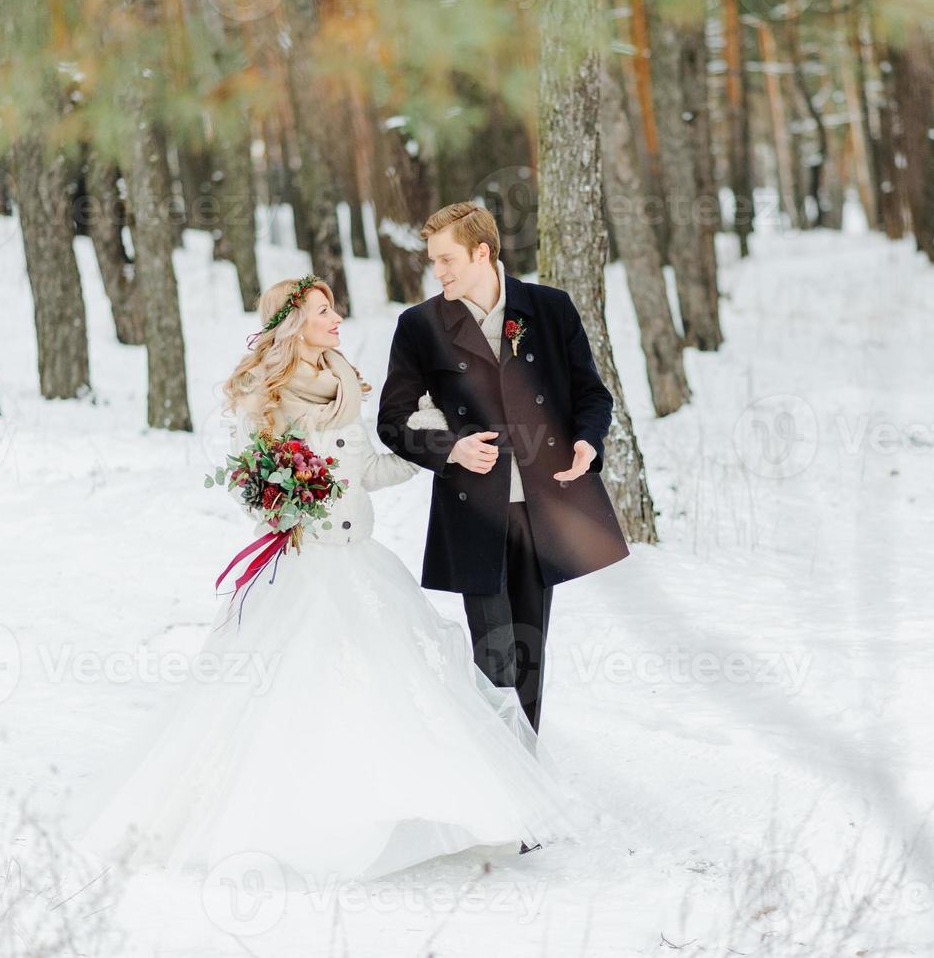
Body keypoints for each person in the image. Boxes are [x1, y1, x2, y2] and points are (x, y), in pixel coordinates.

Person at [68, 276, 588, 882]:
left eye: (334, 307)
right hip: (305, 567)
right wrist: (290, 501)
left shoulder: (343, 382)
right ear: (295, 323)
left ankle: (394, 807)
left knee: (391, 689)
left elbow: (365, 468)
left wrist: (438, 450)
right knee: (295, 691)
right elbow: (252, 487)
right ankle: (295, 821)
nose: (336, 317)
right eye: (323, 310)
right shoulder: (266, 396)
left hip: (361, 561)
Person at [376, 202, 630, 744]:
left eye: (446, 260)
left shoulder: (550, 309)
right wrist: (452, 448)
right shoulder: (420, 326)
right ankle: (504, 793)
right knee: (493, 661)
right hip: (477, 514)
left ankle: (526, 782)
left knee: (529, 654)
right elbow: (392, 423)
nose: (437, 271)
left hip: (545, 508)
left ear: (483, 252)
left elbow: (591, 394)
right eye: (433, 262)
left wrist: (587, 441)